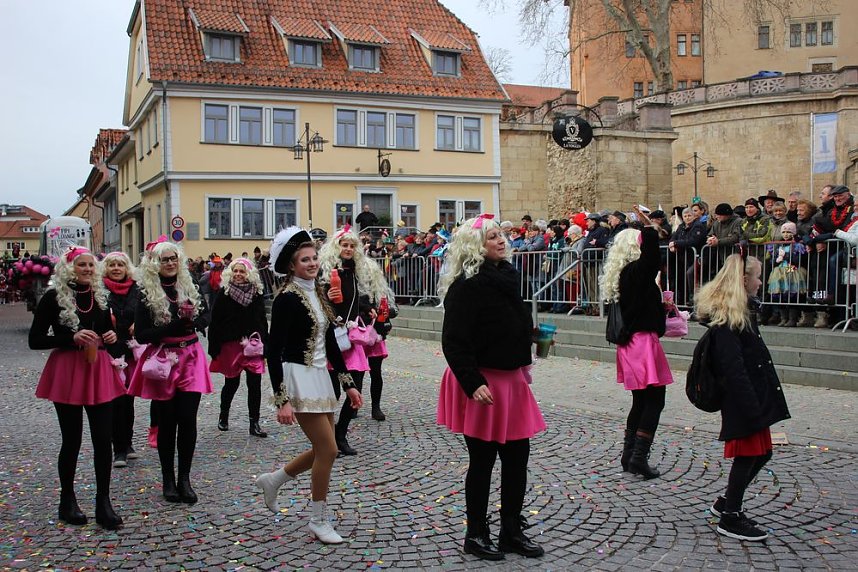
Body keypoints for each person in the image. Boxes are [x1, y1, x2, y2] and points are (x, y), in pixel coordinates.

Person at [437, 214, 546, 561]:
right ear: (476, 246)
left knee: (517, 459)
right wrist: (472, 382)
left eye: (501, 235)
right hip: (483, 381)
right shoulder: (466, 285)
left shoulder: (508, 276)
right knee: (482, 462)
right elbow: (454, 341)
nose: (501, 241)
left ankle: (511, 531)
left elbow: (504, 321)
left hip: (510, 380)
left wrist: (528, 336)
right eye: (492, 237)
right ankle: (476, 533)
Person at [255, 227, 363, 545]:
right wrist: (282, 399)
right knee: (329, 450)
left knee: (323, 448)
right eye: (305, 260)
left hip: (320, 377)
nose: (313, 263)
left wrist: (348, 384)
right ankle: (318, 520)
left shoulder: (318, 292)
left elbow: (330, 343)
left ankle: (274, 480)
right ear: (291, 265)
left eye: (314, 257)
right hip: (298, 377)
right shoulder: (287, 299)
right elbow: (273, 351)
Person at [694, 252, 790, 541]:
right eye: (758, 277)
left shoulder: (742, 313)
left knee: (763, 452)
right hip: (741, 401)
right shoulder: (727, 321)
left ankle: (727, 502)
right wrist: (752, 407)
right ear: (744, 280)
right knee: (747, 456)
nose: (761, 283)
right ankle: (731, 516)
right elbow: (733, 370)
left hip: (751, 397)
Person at [29, 247, 126, 529]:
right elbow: (35, 340)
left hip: (97, 368)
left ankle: (103, 502)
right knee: (71, 439)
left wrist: (112, 336)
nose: (87, 269)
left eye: (91, 265)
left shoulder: (101, 295)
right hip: (68, 370)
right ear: (70, 268)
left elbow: (110, 335)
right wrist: (70, 338)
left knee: (103, 438)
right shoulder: (53, 297)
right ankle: (67, 500)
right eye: (81, 265)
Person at [128, 237, 212, 504]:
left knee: (188, 419)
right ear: (155, 263)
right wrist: (170, 328)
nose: (170, 263)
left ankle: (185, 479)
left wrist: (197, 322)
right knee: (167, 422)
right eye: (164, 259)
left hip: (190, 357)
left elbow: (207, 314)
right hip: (163, 360)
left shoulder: (189, 284)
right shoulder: (146, 292)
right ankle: (168, 479)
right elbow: (141, 334)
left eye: (173, 258)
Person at [600, 227, 673, 480]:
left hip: (632, 343)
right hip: (642, 344)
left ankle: (629, 454)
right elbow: (652, 259)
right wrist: (649, 228)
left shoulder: (625, 275)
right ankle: (638, 457)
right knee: (654, 400)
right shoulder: (635, 272)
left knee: (641, 401)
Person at [319, 225, 390, 452]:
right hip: (331, 338)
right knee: (332, 392)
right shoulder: (326, 271)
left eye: (351, 245)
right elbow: (317, 303)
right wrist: (327, 298)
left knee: (356, 389)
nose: (348, 249)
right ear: (336, 247)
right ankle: (327, 437)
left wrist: (366, 308)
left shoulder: (354, 271)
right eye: (344, 245)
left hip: (350, 338)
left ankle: (340, 434)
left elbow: (353, 300)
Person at [209, 258, 269, 437]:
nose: (238, 274)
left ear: (248, 274)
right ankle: (223, 414)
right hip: (231, 345)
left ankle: (254, 422)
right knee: (231, 383)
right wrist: (214, 347)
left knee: (255, 384)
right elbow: (215, 321)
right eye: (235, 271)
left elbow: (262, 320)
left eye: (242, 271)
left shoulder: (256, 293)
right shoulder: (224, 292)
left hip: (253, 345)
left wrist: (265, 343)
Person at [102, 251, 141, 468]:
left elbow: (145, 312)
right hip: (110, 351)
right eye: (112, 265)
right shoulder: (100, 289)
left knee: (129, 400)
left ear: (127, 268)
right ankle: (118, 448)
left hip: (131, 350)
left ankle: (128, 442)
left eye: (120, 265)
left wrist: (139, 324)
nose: (116, 268)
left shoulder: (137, 289)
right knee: (115, 401)